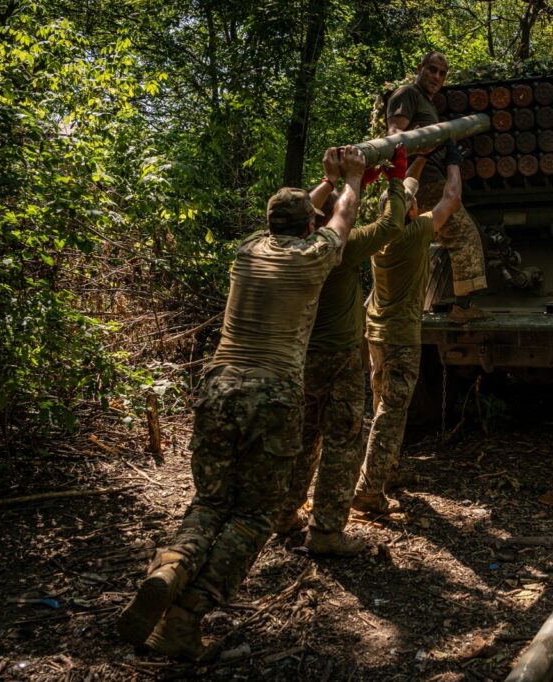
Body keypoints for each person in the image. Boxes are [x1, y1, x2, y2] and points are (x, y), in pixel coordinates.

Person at [116, 146, 367, 661]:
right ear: (307, 225)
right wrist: (354, 179)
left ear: (270, 221)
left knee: (210, 502)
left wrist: (325, 178)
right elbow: (343, 215)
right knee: (255, 515)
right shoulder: (313, 256)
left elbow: (300, 213)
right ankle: (186, 617)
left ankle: (173, 567)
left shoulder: (248, 249)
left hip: (217, 387)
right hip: (272, 395)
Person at [274, 143, 411, 556]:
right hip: (339, 357)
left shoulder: (280, 246)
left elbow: (310, 212)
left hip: (300, 356)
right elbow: (390, 226)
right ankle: (327, 532)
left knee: (304, 435)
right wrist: (394, 180)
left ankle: (283, 513)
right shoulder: (340, 248)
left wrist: (336, 181)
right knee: (343, 439)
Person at [352, 139, 464, 514]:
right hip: (401, 339)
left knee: (383, 404)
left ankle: (387, 471)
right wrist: (453, 162)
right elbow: (451, 199)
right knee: (391, 414)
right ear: (413, 214)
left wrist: (415, 162)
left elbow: (403, 197)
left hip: (376, 337)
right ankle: (368, 490)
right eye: (414, 204)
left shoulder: (381, 235)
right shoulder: (416, 236)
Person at [385, 50, 491, 323]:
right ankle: (463, 309)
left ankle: (405, 304)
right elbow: (394, 137)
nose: (437, 77)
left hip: (427, 180)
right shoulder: (406, 94)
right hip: (424, 182)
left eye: (442, 73)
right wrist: (421, 148)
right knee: (464, 237)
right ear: (419, 67)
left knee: (421, 244)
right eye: (432, 69)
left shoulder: (426, 103)